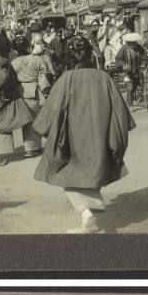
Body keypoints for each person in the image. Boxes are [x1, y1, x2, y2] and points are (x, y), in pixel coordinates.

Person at [32, 36, 136, 234]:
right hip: (100, 137)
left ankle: (87, 213)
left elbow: (53, 111)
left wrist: (43, 130)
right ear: (90, 54)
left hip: (73, 140)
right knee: (91, 172)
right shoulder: (104, 77)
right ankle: (89, 211)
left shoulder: (67, 79)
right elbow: (120, 112)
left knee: (65, 173)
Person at [11, 42, 54, 157]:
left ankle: (31, 147)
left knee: (27, 120)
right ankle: (32, 148)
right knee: (36, 118)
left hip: (20, 91)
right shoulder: (38, 60)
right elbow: (46, 75)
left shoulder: (14, 61)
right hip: (35, 91)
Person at [114, 32, 147, 105]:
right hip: (127, 71)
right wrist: (123, 65)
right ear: (127, 42)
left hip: (137, 70)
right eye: (129, 43)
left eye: (133, 43)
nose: (131, 45)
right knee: (130, 87)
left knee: (135, 85)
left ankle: (129, 98)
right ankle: (130, 103)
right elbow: (118, 59)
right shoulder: (124, 48)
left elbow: (145, 57)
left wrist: (144, 64)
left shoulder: (139, 48)